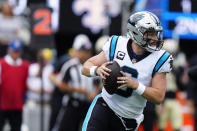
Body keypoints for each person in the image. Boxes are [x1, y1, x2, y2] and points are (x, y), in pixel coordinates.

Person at [81, 11, 173, 131]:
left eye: (156, 34)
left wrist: (135, 85)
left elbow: (159, 97)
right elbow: (85, 67)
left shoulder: (160, 58)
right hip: (105, 106)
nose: (155, 38)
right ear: (136, 32)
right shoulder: (117, 44)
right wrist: (97, 70)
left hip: (128, 120)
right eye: (150, 33)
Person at [49, 34, 100, 131]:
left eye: (88, 51)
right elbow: (62, 86)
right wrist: (77, 90)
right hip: (72, 103)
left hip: (88, 104)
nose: (87, 54)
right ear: (78, 51)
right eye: (84, 51)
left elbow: (98, 84)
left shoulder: (93, 66)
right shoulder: (70, 65)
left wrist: (95, 93)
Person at [0, 39, 29, 131]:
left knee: (16, 128)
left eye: (18, 51)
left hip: (17, 105)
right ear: (9, 50)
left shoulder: (25, 65)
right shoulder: (1, 63)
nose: (16, 53)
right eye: (14, 50)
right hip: (2, 105)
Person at [23, 48, 54, 131]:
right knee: (30, 126)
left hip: (46, 103)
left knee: (45, 127)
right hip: (32, 102)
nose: (44, 60)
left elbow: (53, 86)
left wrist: (45, 91)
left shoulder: (51, 68)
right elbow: (27, 82)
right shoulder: (32, 67)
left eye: (46, 58)